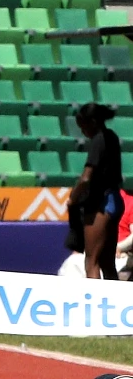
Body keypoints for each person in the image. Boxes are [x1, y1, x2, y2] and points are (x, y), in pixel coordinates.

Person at [73, 102, 123, 281]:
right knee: (108, 263)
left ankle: (92, 305)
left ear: (92, 122)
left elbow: (86, 178)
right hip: (115, 199)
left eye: (83, 126)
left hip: (100, 203)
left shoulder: (98, 140)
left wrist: (73, 198)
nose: (82, 131)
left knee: (91, 261)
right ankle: (117, 304)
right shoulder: (112, 137)